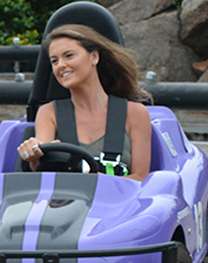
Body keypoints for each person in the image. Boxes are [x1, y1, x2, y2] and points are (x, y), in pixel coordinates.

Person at [17, 23, 153, 182]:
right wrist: (34, 156)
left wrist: (98, 181)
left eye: (69, 56)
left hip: (119, 204)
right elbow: (46, 166)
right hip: (67, 203)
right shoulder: (49, 113)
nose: (61, 65)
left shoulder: (135, 113)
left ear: (94, 57)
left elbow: (141, 179)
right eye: (54, 61)